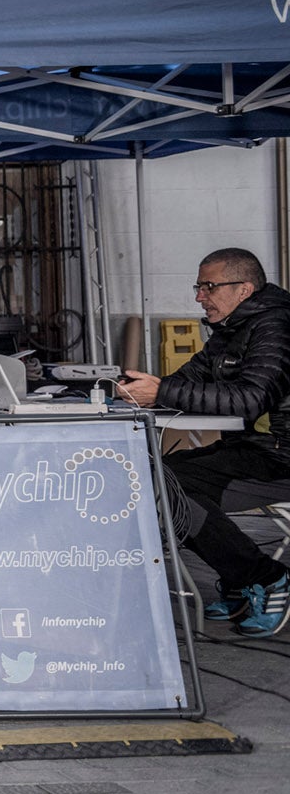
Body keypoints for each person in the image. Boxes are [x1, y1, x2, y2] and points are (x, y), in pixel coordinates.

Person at [118, 248, 290, 637]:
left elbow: (250, 398)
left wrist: (161, 391)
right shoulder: (233, 329)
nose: (199, 296)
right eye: (199, 286)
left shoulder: (275, 327)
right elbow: (187, 381)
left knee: (171, 488)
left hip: (282, 455)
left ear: (244, 288)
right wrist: (136, 390)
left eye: (208, 286)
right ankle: (243, 577)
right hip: (261, 450)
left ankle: (267, 578)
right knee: (161, 481)